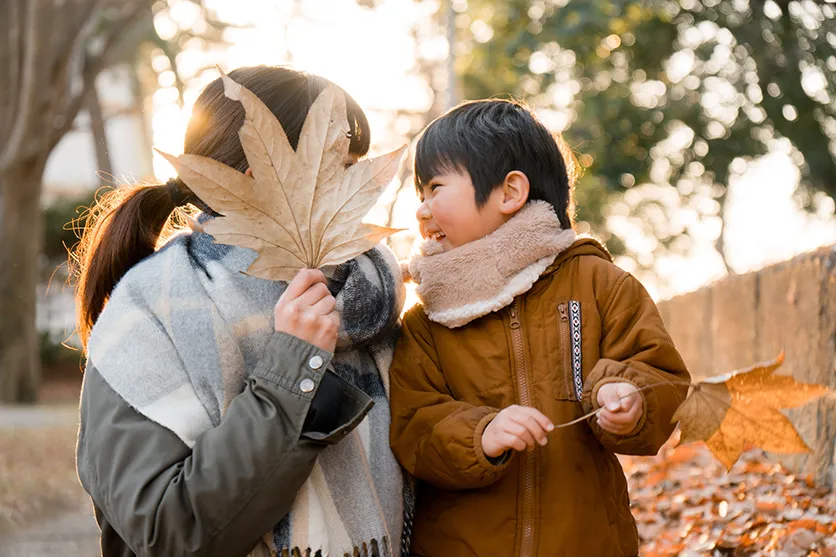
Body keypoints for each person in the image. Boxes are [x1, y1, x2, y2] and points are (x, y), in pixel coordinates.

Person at [74, 66, 408, 557]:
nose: (361, 192)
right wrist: (290, 369)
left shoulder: (372, 300)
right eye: (340, 169)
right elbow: (168, 533)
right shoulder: (151, 310)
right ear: (256, 181)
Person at [388, 99, 691, 557]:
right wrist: (480, 435)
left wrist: (631, 397)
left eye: (434, 188)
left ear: (509, 192)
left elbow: (660, 373)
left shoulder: (598, 285)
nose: (422, 211)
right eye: (420, 194)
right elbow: (413, 426)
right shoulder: (428, 320)